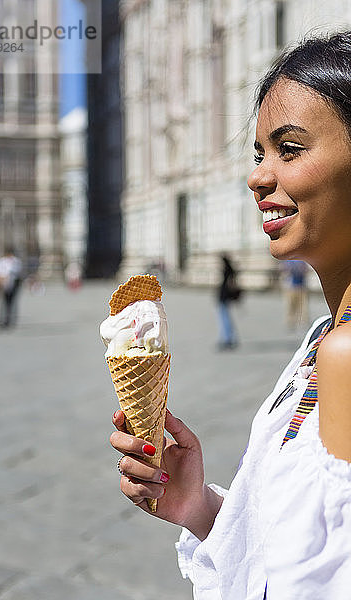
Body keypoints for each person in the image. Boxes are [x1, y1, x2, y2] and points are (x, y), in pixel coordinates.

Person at [109, 31, 351, 599]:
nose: (258, 177)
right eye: (259, 152)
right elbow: (308, 556)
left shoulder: (345, 355)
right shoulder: (324, 336)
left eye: (289, 150)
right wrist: (200, 505)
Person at [216, 253, 240, 349]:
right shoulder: (231, 271)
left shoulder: (227, 270)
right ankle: (228, 338)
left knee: (224, 319)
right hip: (225, 297)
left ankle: (228, 339)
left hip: (223, 297)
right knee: (226, 318)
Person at [0, 249, 23, 327]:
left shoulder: (16, 261)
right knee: (3, 302)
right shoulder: (2, 261)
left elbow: (18, 272)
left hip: (13, 284)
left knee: (11, 302)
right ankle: (2, 319)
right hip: (3, 284)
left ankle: (9, 319)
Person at [281, 259, 309, 329]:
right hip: (291, 286)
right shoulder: (288, 260)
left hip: (301, 285)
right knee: (291, 305)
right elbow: (285, 269)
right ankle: (291, 321)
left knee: (303, 305)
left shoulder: (302, 260)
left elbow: (305, 269)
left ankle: (303, 321)